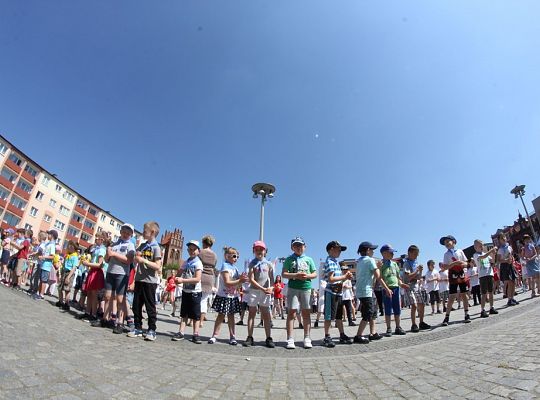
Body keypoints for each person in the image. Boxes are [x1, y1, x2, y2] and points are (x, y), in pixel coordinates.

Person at [93, 224, 136, 333]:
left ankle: (120, 322)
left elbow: (128, 260)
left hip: (121, 274)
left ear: (131, 234)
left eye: (128, 233)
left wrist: (114, 254)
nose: (125, 234)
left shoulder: (130, 245)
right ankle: (105, 319)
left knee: (120, 299)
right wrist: (108, 254)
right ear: (121, 232)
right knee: (107, 297)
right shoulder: (115, 244)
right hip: (111, 272)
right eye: (124, 232)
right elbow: (107, 260)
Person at [126, 221, 162, 341]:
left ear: (152, 232)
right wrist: (136, 257)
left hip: (150, 282)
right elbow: (136, 261)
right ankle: (138, 328)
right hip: (139, 280)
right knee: (136, 305)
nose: (143, 232)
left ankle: (152, 330)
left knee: (150, 307)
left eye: (145, 230)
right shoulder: (142, 246)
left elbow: (158, 266)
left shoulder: (156, 248)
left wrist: (144, 261)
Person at [282, 237, 317, 350]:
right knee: (291, 313)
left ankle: (307, 337)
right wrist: (295, 275)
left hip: (306, 288)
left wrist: (307, 276)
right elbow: (284, 274)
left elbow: (314, 274)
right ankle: (290, 338)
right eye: (296, 245)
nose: (298, 247)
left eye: (300, 245)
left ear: (305, 247)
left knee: (306, 313)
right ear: (292, 247)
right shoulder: (288, 259)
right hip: (293, 288)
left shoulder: (309, 259)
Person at [354, 241, 392, 344]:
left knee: (373, 312)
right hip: (366, 291)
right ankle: (358, 335)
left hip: (363, 291)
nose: (373, 252)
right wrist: (387, 289)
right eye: (372, 250)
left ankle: (373, 333)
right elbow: (378, 277)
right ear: (367, 250)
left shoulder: (358, 261)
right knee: (368, 314)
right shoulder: (370, 260)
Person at [207, 246, 247, 345]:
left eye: (237, 256)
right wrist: (240, 280)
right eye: (234, 256)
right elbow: (227, 282)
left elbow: (237, 284)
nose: (236, 258)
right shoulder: (225, 266)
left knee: (231, 316)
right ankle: (214, 335)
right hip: (224, 295)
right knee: (221, 316)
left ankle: (232, 336)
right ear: (227, 256)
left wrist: (243, 280)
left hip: (232, 296)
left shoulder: (235, 268)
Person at [321, 241, 354, 348]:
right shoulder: (330, 261)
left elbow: (337, 280)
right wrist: (344, 277)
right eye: (338, 249)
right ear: (331, 249)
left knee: (339, 315)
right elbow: (330, 279)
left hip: (338, 292)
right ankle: (327, 336)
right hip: (331, 292)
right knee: (329, 316)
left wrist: (346, 278)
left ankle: (342, 334)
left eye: (340, 250)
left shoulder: (335, 261)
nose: (340, 251)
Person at [243, 241, 275, 348]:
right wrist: (262, 288)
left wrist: (271, 288)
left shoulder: (269, 264)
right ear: (253, 251)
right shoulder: (252, 263)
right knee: (252, 313)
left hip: (265, 292)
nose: (259, 251)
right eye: (256, 249)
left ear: (265, 251)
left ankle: (268, 337)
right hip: (254, 291)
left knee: (265, 314)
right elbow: (251, 279)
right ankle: (250, 337)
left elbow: (272, 279)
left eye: (261, 249)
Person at [172, 240, 204, 343]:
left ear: (198, 251)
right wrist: (176, 278)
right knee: (184, 313)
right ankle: (181, 332)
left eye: (194, 249)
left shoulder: (198, 263)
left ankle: (196, 334)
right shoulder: (186, 262)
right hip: (186, 291)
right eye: (190, 249)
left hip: (195, 292)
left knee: (195, 315)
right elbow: (179, 272)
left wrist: (182, 280)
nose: (192, 251)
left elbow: (197, 279)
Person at [440, 235, 471, 326]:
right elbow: (446, 267)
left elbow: (466, 263)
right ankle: (447, 317)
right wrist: (454, 263)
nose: (446, 244)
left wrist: (462, 263)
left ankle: (466, 314)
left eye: (447, 241)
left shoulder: (460, 251)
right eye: (444, 243)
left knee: (464, 294)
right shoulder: (446, 254)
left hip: (461, 274)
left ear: (453, 241)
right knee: (452, 296)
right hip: (452, 275)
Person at [379, 244, 408, 337]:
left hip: (396, 288)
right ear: (383, 253)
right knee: (387, 309)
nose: (392, 254)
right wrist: (386, 288)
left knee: (397, 309)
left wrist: (401, 284)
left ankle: (398, 327)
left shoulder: (395, 264)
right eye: (390, 252)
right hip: (387, 289)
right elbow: (380, 278)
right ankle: (388, 328)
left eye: (392, 253)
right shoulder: (380, 264)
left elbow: (398, 277)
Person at [401, 245, 431, 332]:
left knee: (421, 304)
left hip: (416, 286)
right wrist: (417, 270)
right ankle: (413, 324)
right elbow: (408, 277)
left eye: (417, 254)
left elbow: (418, 277)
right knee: (413, 305)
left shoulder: (415, 262)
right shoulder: (406, 263)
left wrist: (420, 271)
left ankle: (421, 322)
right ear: (409, 253)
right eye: (415, 254)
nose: (416, 256)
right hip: (408, 286)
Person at [80, 233, 107, 321]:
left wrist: (87, 264)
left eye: (97, 238)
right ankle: (88, 312)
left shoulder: (102, 250)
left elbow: (100, 264)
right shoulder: (95, 248)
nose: (95, 239)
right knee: (89, 293)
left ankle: (94, 314)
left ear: (102, 240)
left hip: (97, 272)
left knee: (94, 294)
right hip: (92, 271)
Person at [472, 239, 498, 318]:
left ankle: (491, 307)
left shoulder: (486, 254)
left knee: (490, 292)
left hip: (489, 274)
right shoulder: (476, 255)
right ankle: (482, 310)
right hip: (482, 276)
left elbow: (492, 262)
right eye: (479, 245)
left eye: (482, 245)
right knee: (483, 293)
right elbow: (483, 257)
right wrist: (491, 251)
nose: (481, 247)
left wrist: (493, 254)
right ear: (475, 247)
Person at [199, 235, 218, 328]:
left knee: (196, 299)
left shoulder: (200, 252)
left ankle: (192, 320)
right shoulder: (215, 255)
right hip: (210, 278)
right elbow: (214, 266)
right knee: (204, 300)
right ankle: (201, 321)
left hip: (200, 277)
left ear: (204, 243)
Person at [34, 230, 58, 300]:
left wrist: (43, 257)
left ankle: (41, 294)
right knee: (41, 280)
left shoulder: (52, 245)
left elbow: (52, 256)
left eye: (49, 234)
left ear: (52, 236)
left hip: (46, 266)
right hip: (43, 264)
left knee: (44, 281)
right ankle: (38, 293)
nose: (48, 236)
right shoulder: (48, 244)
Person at [56, 241, 80, 311]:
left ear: (74, 248)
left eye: (70, 246)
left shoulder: (75, 257)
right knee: (60, 287)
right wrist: (61, 272)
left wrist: (68, 277)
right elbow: (63, 264)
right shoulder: (67, 255)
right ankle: (60, 302)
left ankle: (67, 304)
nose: (68, 247)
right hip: (64, 272)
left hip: (69, 273)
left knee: (67, 290)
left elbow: (74, 268)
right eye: (68, 246)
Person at [497, 234, 518, 307]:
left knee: (513, 282)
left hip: (510, 265)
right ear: (499, 240)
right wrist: (506, 260)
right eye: (501, 238)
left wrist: (512, 260)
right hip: (505, 266)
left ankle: (512, 298)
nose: (503, 239)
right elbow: (499, 260)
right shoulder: (500, 249)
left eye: (504, 237)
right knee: (509, 282)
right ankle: (509, 299)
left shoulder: (509, 247)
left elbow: (511, 256)